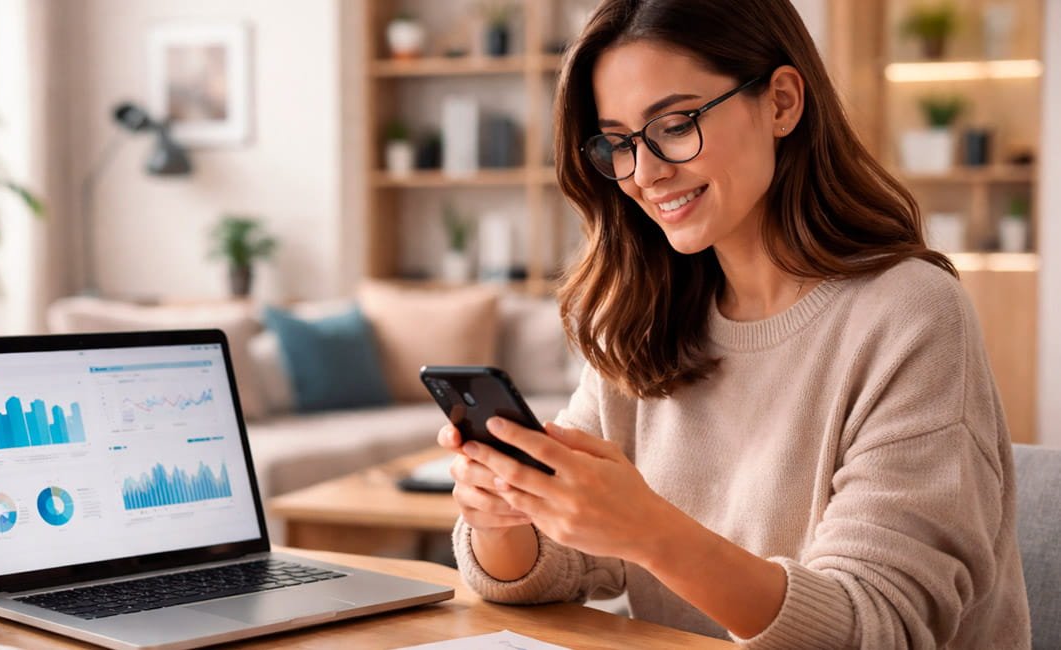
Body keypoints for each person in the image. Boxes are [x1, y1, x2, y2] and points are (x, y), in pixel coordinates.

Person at [436, 0, 1031, 647]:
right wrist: (503, 516)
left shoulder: (909, 314)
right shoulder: (644, 316)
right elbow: (560, 564)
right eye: (619, 143)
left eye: (675, 123)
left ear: (780, 102)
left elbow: (878, 626)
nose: (646, 172)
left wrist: (651, 532)